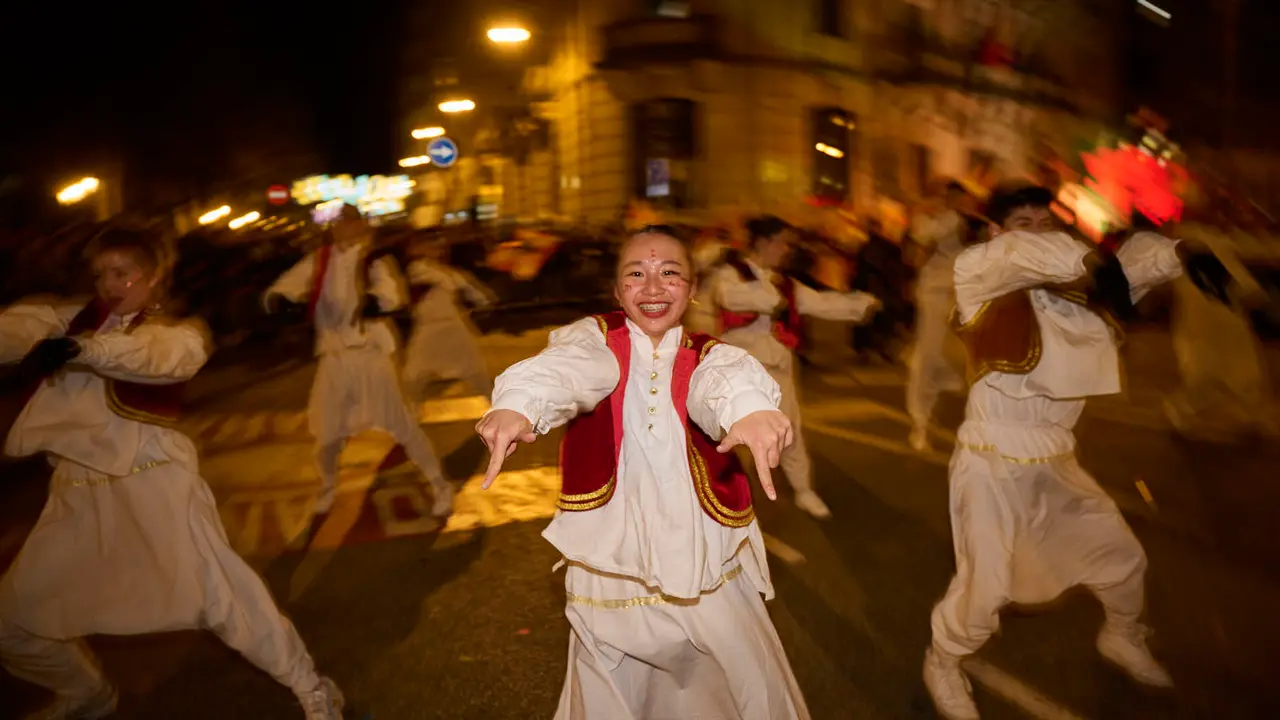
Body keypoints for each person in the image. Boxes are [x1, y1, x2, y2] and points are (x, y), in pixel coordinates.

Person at [0, 227, 342, 720]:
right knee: (14, 618)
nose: (109, 284)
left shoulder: (177, 333)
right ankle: (87, 692)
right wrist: (62, 342)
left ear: (154, 274)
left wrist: (84, 351)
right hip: (77, 491)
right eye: (100, 274)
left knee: (223, 599)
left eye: (122, 272)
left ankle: (313, 689)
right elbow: (16, 330)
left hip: (154, 483)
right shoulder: (67, 319)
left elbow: (157, 359)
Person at [476, 225, 810, 719]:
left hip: (701, 547)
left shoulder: (709, 355)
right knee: (611, 688)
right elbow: (567, 369)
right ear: (616, 291)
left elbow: (719, 384)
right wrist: (520, 404)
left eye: (669, 273)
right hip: (613, 551)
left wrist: (748, 410)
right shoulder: (596, 339)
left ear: (692, 290)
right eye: (636, 274)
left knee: (734, 676)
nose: (652, 288)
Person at [923, 185, 1188, 720]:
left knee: (1121, 558)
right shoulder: (981, 270)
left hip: (1056, 456)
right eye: (1023, 220)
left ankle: (1122, 635)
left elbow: (1130, 265)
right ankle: (943, 659)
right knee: (986, 583)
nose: (1039, 229)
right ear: (996, 230)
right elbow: (1021, 253)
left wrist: (1181, 253)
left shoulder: (1074, 290)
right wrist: (1082, 256)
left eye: (1047, 220)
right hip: (990, 454)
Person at [264, 205, 453, 516]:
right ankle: (327, 488)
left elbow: (392, 293)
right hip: (334, 360)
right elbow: (287, 284)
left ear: (361, 226)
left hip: (370, 358)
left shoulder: (374, 260)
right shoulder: (320, 259)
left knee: (403, 426)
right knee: (327, 435)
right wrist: (278, 299)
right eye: (338, 223)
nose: (343, 228)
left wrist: (377, 302)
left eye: (349, 222)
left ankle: (440, 486)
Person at [713, 215, 880, 519]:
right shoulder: (732, 274)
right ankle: (730, 498)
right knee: (737, 437)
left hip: (777, 367)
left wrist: (860, 305)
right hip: (741, 370)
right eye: (784, 242)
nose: (788, 249)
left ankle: (803, 490)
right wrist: (769, 297)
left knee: (789, 430)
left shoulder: (785, 283)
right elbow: (730, 298)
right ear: (765, 242)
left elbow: (820, 302)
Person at [1163, 212, 1275, 441]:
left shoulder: (1210, 242)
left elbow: (1243, 258)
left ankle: (1251, 418)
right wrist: (1248, 292)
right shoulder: (1195, 243)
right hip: (1206, 325)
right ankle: (1180, 411)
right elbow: (1225, 274)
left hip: (1224, 322)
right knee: (1206, 376)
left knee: (1243, 372)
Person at [904, 181, 971, 451]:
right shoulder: (934, 222)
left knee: (959, 354)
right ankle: (920, 422)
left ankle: (945, 379)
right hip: (935, 295)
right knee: (928, 357)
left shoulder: (965, 222)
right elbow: (918, 250)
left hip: (960, 295)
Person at [402, 236, 496, 400]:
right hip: (430, 326)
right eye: (431, 245)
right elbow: (448, 281)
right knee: (415, 373)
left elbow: (467, 286)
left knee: (474, 369)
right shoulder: (418, 268)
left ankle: (496, 403)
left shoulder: (444, 270)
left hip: (452, 325)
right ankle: (406, 408)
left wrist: (483, 300)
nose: (437, 250)